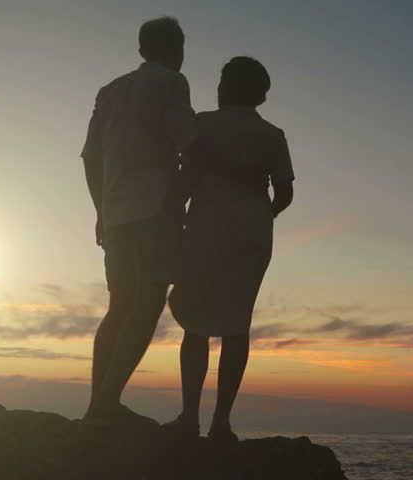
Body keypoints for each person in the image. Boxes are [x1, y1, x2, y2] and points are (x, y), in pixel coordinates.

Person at [162, 56, 295, 440]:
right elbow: (284, 193)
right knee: (237, 326)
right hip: (253, 235)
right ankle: (222, 422)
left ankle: (189, 417)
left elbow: (185, 181)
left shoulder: (202, 126)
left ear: (225, 87)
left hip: (205, 230)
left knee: (195, 323)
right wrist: (258, 216)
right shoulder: (273, 135)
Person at [80, 16, 197, 426]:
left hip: (115, 214)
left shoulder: (109, 91)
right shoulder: (171, 82)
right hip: (155, 209)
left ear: (142, 48)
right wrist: (183, 190)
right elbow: (191, 142)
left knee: (119, 305)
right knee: (147, 302)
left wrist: (100, 212)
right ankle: (106, 405)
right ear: (176, 50)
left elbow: (90, 157)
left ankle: (99, 403)